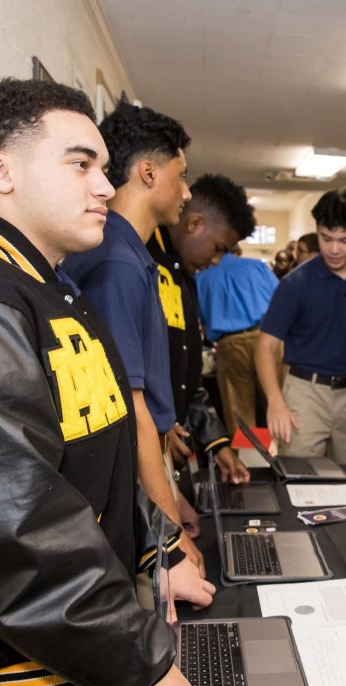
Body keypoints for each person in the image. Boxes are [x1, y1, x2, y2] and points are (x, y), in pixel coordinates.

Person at [0, 77, 216, 686]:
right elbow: (13, 532)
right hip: (19, 676)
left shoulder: (50, 289)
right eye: (80, 164)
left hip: (85, 641)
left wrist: (161, 554)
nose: (104, 185)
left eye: (103, 166)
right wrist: (148, 668)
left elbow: (104, 456)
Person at [61, 101, 207, 566]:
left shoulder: (132, 255)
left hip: (150, 464)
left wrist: (173, 497)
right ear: (148, 172)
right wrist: (169, 538)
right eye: (180, 176)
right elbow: (131, 407)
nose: (186, 194)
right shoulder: (116, 262)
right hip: (127, 474)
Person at [256, 188, 346, 463]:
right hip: (304, 393)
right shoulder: (294, 283)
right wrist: (275, 400)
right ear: (317, 231)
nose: (334, 249)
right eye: (326, 238)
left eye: (345, 240)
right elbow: (266, 345)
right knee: (299, 477)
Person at [147, 173, 256, 489]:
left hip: (174, 450)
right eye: (218, 247)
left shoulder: (184, 277)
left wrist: (216, 442)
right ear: (195, 224)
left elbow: (188, 376)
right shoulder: (142, 263)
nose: (217, 260)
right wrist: (157, 424)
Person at [195, 236, 279, 437]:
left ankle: (251, 463)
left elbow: (202, 319)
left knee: (240, 412)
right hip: (267, 339)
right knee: (277, 402)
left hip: (229, 344)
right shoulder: (256, 267)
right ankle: (284, 459)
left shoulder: (202, 278)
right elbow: (281, 301)